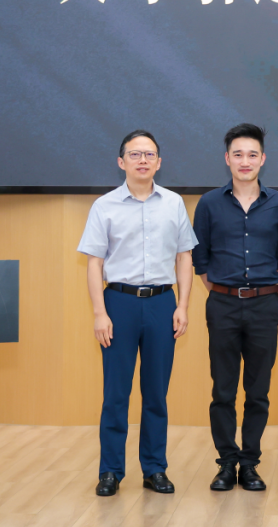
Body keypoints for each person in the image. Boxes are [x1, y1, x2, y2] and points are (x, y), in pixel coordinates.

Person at [77, 130, 197, 498]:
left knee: (156, 393)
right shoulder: (104, 206)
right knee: (116, 393)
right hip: (119, 303)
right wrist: (100, 313)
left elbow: (184, 258)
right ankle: (110, 471)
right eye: (135, 154)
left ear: (159, 162)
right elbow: (94, 263)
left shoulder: (173, 203)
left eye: (149, 154)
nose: (142, 160)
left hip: (162, 303)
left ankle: (155, 469)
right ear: (121, 161)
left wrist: (182, 306)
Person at [192, 123, 278, 493]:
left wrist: (264, 289)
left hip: (265, 306)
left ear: (263, 159)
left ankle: (249, 464)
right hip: (221, 304)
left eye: (252, 154)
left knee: (257, 390)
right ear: (227, 159)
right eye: (238, 154)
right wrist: (225, 291)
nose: (245, 161)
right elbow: (201, 261)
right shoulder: (209, 204)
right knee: (222, 389)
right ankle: (226, 463)